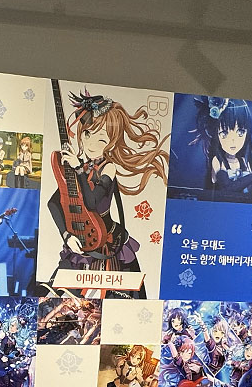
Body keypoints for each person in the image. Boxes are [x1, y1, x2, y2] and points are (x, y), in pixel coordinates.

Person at [48, 90, 168, 297]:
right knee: (58, 294)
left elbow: (92, 202)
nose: (91, 144)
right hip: (80, 238)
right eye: (87, 134)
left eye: (101, 139)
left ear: (111, 142)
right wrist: (66, 235)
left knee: (118, 297)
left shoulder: (108, 168)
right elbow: (53, 203)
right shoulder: (80, 166)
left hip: (109, 241)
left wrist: (78, 169)